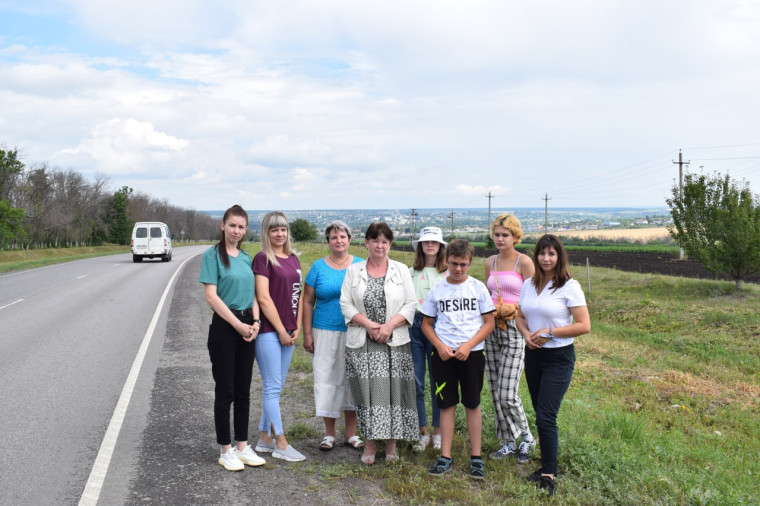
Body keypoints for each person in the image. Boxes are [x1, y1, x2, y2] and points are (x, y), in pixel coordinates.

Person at [516, 234, 590, 497]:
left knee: (546, 415)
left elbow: (584, 325)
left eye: (552, 254)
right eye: (542, 253)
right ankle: (546, 465)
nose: (546, 259)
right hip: (533, 355)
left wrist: (550, 332)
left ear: (559, 257)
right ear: (536, 256)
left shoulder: (569, 286)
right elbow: (520, 316)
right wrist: (526, 334)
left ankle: (548, 473)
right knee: (540, 412)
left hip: (558, 357)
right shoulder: (528, 284)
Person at [340, 222, 418, 465]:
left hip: (394, 342)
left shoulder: (401, 269)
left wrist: (388, 326)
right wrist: (369, 324)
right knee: (368, 395)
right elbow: (345, 304)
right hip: (364, 341)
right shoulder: (354, 271)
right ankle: (371, 445)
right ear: (366, 242)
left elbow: (410, 303)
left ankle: (392, 446)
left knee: (394, 393)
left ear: (390, 244)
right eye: (375, 241)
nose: (380, 246)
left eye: (385, 241)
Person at [421, 239, 495, 480]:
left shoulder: (478, 288)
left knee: (472, 403)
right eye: (453, 264)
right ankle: (445, 456)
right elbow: (426, 324)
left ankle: (476, 457)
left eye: (463, 265)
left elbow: (489, 323)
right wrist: (439, 345)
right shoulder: (437, 289)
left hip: (471, 354)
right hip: (443, 354)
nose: (458, 269)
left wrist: (469, 346)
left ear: (470, 263)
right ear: (446, 261)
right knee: (446, 404)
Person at [199, 205, 266, 471]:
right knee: (225, 389)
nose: (236, 231)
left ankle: (242, 445)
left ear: (245, 229)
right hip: (226, 328)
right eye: (232, 225)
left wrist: (256, 322)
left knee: (243, 390)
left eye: (241, 226)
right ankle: (225, 448)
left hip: (248, 326)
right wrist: (238, 324)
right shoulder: (212, 255)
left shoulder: (246, 258)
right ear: (223, 226)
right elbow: (211, 296)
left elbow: (252, 295)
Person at [303, 221, 364, 452]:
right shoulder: (318, 268)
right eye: (333, 237)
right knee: (326, 378)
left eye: (342, 236)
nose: (338, 241)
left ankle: (350, 434)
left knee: (352, 381)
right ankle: (329, 434)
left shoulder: (360, 265)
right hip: (324, 330)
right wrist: (307, 333)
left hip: (354, 331)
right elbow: (308, 301)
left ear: (349, 238)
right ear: (327, 241)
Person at [252, 211, 306, 462]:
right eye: (274, 229)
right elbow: (263, 298)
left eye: (283, 229)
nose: (279, 233)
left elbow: (297, 295)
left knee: (276, 387)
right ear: (267, 232)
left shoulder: (294, 259)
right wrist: (282, 330)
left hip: (288, 332)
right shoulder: (263, 259)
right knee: (272, 388)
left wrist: (295, 326)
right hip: (269, 333)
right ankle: (281, 443)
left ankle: (264, 437)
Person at [484, 214, 536, 463]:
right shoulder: (490, 262)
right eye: (497, 234)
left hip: (514, 327)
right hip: (491, 326)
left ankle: (527, 437)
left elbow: (533, 298)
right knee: (494, 388)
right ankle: (507, 442)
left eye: (505, 235)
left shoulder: (523, 262)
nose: (500, 239)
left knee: (507, 392)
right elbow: (487, 295)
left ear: (516, 236)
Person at [408, 227, 447, 452]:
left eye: (434, 241)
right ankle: (423, 431)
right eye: (426, 241)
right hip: (414, 325)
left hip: (438, 327)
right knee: (417, 381)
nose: (430, 245)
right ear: (420, 246)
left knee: (438, 381)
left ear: (440, 246)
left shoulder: (447, 273)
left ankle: (438, 431)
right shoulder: (410, 272)